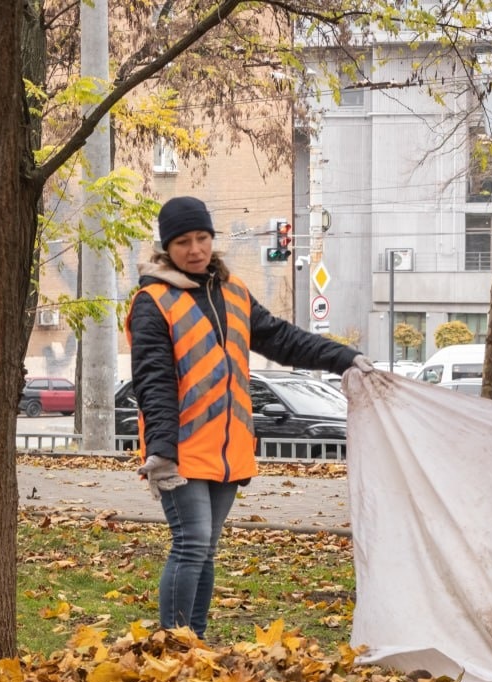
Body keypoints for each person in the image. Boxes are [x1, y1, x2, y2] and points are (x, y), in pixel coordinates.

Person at [126, 196, 373, 639]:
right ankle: (175, 650)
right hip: (179, 447)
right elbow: (153, 379)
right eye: (183, 241)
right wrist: (161, 451)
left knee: (205, 549)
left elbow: (284, 340)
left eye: (202, 238)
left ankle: (193, 643)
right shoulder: (153, 301)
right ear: (167, 247)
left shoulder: (233, 292)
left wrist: (346, 358)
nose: (195, 249)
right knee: (192, 542)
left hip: (228, 446)